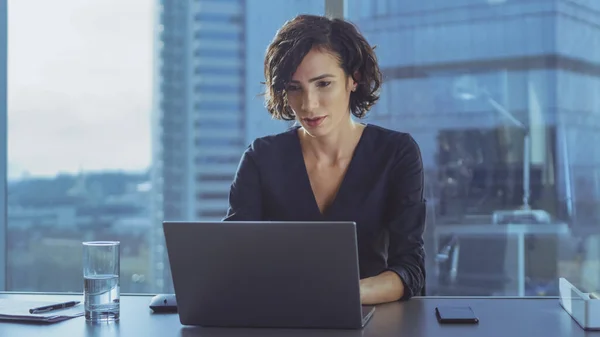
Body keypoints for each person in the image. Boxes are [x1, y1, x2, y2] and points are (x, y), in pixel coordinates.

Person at [223, 14, 426, 305]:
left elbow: (410, 269)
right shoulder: (261, 158)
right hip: (280, 317)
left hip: (370, 318)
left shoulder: (397, 153)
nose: (308, 104)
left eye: (323, 84)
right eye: (295, 88)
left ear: (353, 79)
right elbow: (231, 258)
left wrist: (341, 294)